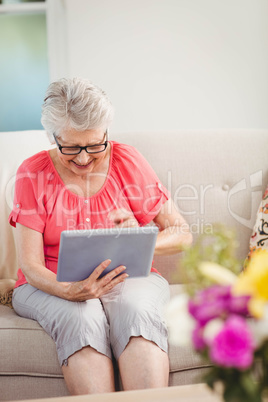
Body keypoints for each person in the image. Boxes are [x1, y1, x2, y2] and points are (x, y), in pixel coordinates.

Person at [10, 77, 192, 395]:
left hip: (128, 275)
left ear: (106, 132)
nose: (83, 159)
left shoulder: (127, 160)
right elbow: (31, 265)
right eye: (71, 147)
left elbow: (182, 233)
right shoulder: (32, 173)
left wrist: (141, 236)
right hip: (50, 282)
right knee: (82, 316)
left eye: (95, 145)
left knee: (137, 310)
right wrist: (68, 290)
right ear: (53, 136)